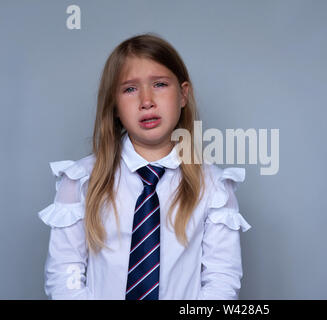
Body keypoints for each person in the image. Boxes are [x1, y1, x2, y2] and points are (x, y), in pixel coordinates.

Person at [37, 33, 251, 300]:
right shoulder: (79, 181)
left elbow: (221, 279)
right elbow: (64, 273)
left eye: (159, 84)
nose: (146, 100)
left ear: (183, 95)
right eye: (130, 89)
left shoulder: (215, 188)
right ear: (114, 106)